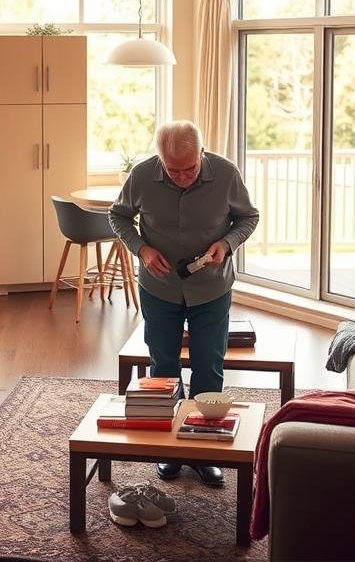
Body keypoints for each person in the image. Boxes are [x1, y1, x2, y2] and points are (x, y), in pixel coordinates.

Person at [109, 120, 259, 487]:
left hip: (211, 287)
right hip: (159, 289)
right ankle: (169, 451)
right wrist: (141, 249)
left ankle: (202, 451)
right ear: (160, 159)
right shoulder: (143, 175)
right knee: (162, 368)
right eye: (173, 170)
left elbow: (248, 218)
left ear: (202, 153)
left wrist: (226, 245)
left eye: (189, 168)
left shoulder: (226, 174)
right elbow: (118, 216)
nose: (182, 177)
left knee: (209, 366)